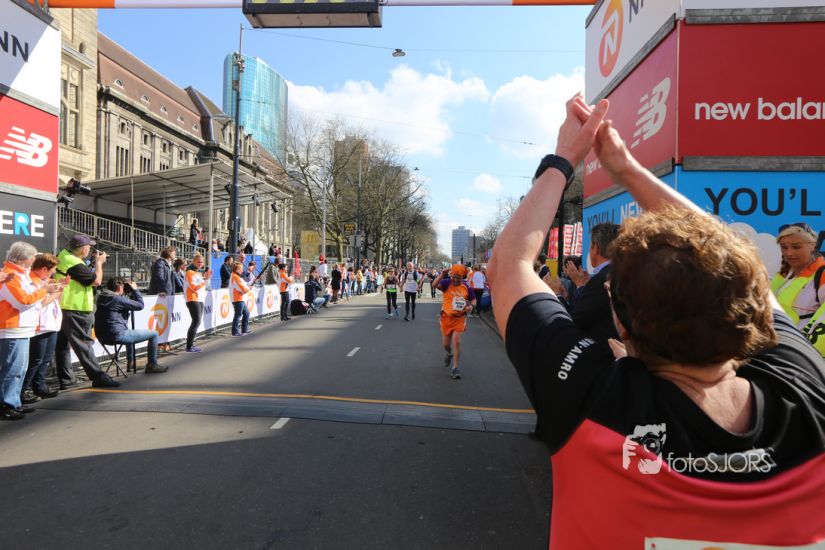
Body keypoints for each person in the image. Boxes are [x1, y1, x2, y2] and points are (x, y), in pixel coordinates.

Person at [488, 93, 825, 547]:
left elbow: (508, 264)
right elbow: (730, 254)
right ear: (751, 307)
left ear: (621, 323)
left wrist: (564, 158)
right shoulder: (806, 389)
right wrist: (627, 168)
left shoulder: (590, 399)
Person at [0, 243, 62, 420]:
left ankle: (13, 402)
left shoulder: (21, 275)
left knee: (19, 369)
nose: (34, 260)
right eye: (32, 257)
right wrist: (45, 290)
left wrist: (45, 290)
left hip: (22, 328)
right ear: (23, 258)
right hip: (13, 328)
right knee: (12, 370)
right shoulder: (11, 276)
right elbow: (23, 301)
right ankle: (6, 405)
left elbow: (32, 299)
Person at [54, 235, 120, 389]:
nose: (90, 249)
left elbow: (83, 275)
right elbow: (96, 281)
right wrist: (99, 263)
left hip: (66, 306)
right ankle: (98, 376)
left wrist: (93, 262)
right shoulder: (73, 262)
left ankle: (67, 379)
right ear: (82, 248)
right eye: (89, 246)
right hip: (75, 308)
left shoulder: (65, 256)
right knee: (83, 344)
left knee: (63, 345)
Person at [560, 223, 621, 343]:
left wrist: (558, 295)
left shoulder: (601, 280)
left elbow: (575, 321)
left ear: (596, 248)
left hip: (604, 350)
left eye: (590, 246)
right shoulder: (623, 273)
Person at [771, 222, 825, 358]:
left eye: (796, 247)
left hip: (803, 354)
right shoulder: (782, 274)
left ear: (812, 245)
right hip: (777, 348)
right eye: (784, 247)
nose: (789, 253)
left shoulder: (821, 274)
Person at [96, 278, 167, 374]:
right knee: (154, 334)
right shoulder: (117, 299)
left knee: (128, 331)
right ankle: (152, 365)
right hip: (116, 335)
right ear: (119, 288)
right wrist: (135, 290)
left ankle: (131, 362)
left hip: (102, 337)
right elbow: (140, 305)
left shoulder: (101, 297)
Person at [21, 253, 64, 404]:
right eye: (53, 269)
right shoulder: (31, 281)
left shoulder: (46, 281)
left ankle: (39, 386)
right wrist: (55, 292)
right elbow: (40, 303)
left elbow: (56, 301)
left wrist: (60, 290)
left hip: (51, 324)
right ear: (44, 269)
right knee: (35, 360)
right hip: (39, 326)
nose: (54, 272)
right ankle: (24, 389)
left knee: (45, 359)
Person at [433, 264, 475, 380]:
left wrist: (471, 306)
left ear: (462, 277)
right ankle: (449, 353)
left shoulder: (466, 286)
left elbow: (473, 299)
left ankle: (455, 368)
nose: (455, 280)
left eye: (458, 278)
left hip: (459, 318)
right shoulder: (447, 283)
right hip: (446, 318)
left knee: (456, 341)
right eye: (454, 277)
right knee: (446, 345)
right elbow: (434, 285)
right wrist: (442, 274)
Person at [184, 254, 211, 353]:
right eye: (198, 262)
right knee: (196, 321)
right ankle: (189, 346)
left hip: (199, 299)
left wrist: (207, 278)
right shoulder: (189, 272)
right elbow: (193, 287)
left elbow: (205, 286)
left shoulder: (198, 273)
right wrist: (204, 281)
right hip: (192, 299)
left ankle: (190, 345)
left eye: (202, 262)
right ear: (193, 262)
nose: (200, 263)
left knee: (197, 322)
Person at [229, 262, 252, 336]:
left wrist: (248, 287)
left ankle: (244, 329)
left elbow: (243, 286)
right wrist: (249, 288)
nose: (242, 270)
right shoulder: (235, 277)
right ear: (237, 269)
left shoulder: (235, 276)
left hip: (240, 298)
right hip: (238, 299)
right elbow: (243, 289)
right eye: (241, 269)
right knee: (238, 315)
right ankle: (235, 331)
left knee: (246, 313)